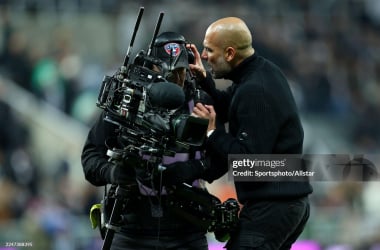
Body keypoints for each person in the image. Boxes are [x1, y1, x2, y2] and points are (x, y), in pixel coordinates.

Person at [164, 17, 313, 250]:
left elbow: (249, 164)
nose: (203, 55)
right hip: (285, 202)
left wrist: (212, 133)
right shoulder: (261, 71)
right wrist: (205, 81)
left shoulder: (255, 90)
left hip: (273, 206)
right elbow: (230, 107)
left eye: (209, 50)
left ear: (230, 53)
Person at [81, 31, 211, 250]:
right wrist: (113, 173)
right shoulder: (125, 103)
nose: (176, 80)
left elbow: (222, 159)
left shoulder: (201, 102)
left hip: (186, 229)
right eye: (168, 74)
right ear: (151, 68)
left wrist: (189, 169)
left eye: (180, 72)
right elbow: (90, 158)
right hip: (131, 229)